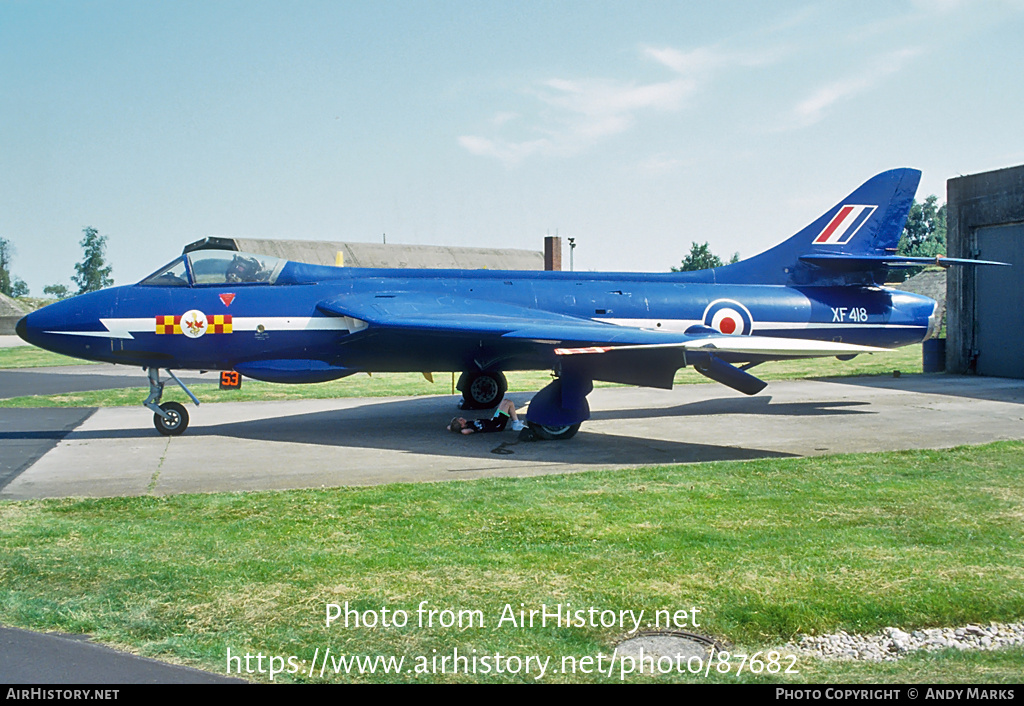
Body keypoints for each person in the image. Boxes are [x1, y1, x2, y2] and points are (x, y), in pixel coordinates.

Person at [449, 398, 525, 435]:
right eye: (460, 420)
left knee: (505, 401)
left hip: (493, 420)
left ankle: (515, 422)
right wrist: (459, 430)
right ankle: (516, 423)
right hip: (497, 425)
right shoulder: (471, 428)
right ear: (462, 425)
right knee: (509, 403)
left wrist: (454, 427)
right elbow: (464, 432)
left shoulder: (468, 423)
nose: (461, 418)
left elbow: (449, 427)